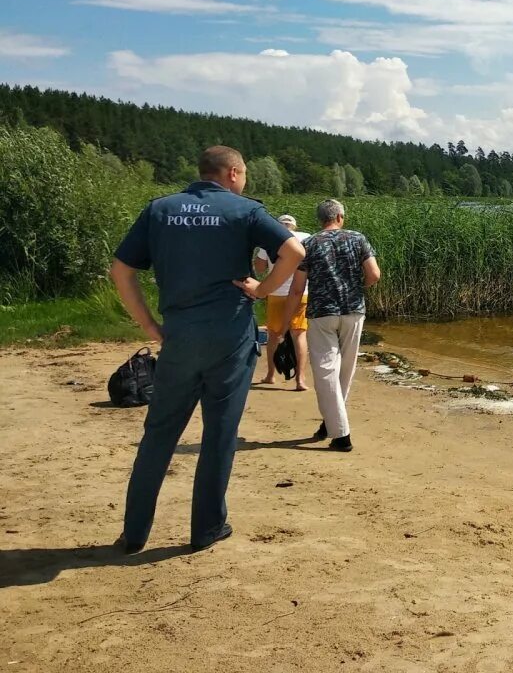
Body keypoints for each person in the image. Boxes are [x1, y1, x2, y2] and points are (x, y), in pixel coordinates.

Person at [110, 146, 304, 554]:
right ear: (233, 173)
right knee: (219, 434)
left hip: (180, 335)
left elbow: (121, 270)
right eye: (245, 172)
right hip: (230, 338)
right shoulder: (245, 211)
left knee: (158, 434)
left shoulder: (160, 209)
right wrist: (263, 289)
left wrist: (149, 326)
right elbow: (295, 252)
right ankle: (206, 529)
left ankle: (134, 533)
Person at [280, 198, 380, 453]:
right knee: (345, 370)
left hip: (322, 313)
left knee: (326, 372)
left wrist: (284, 323)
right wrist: (359, 287)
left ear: (320, 219)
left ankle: (339, 433)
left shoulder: (310, 244)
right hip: (353, 310)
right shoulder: (358, 238)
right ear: (340, 217)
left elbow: (297, 288)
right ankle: (333, 425)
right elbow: (374, 274)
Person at [255, 214, 311, 390]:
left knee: (274, 334)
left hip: (276, 293)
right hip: (302, 292)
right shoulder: (307, 237)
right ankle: (300, 380)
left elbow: (259, 267)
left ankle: (271, 375)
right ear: (294, 226)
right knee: (299, 334)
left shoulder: (271, 238)